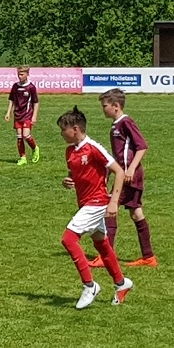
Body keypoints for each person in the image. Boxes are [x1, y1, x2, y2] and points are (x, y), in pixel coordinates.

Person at [57, 107, 133, 309]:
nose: (61, 134)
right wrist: (68, 180)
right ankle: (121, 283)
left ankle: (89, 286)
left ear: (75, 129)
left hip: (97, 202)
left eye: (63, 129)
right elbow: (76, 174)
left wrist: (113, 201)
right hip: (85, 203)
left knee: (68, 239)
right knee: (101, 244)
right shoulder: (70, 151)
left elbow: (118, 171)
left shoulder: (93, 148)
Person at [88, 89, 157, 268]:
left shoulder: (126, 122)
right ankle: (148, 257)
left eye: (105, 106)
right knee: (136, 213)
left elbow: (142, 146)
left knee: (109, 209)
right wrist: (109, 172)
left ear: (116, 106)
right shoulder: (116, 125)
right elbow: (119, 155)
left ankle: (106, 256)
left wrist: (130, 169)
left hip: (128, 176)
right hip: (126, 174)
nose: (103, 109)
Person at [5, 66, 40, 165]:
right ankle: (23, 158)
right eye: (18, 74)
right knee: (19, 137)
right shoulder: (15, 86)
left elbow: (36, 102)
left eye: (22, 74)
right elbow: (11, 100)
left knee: (26, 135)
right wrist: (8, 112)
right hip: (17, 115)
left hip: (27, 114)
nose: (19, 76)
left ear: (27, 74)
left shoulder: (31, 87)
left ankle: (35, 148)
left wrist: (34, 116)